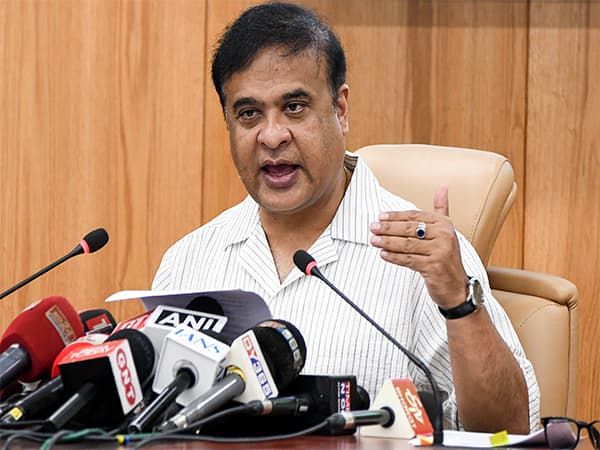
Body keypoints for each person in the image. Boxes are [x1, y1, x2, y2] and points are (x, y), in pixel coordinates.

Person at [152, 2, 539, 433]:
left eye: (294, 107)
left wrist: (458, 300)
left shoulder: (422, 261)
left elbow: (511, 429)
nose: (272, 135)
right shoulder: (188, 262)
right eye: (249, 114)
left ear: (341, 109)